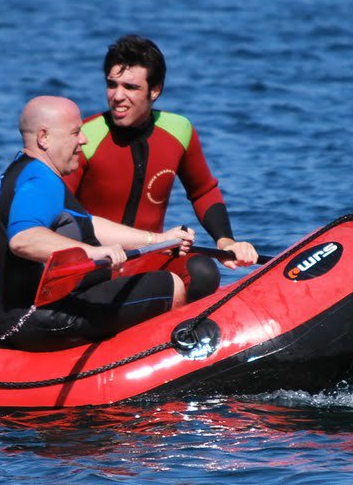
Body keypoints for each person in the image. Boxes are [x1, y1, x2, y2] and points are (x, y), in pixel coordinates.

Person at [0, 95, 192, 348]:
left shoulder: (27, 171)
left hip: (22, 317)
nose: (84, 139)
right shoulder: (39, 180)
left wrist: (159, 239)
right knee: (169, 284)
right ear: (44, 137)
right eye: (75, 132)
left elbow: (88, 224)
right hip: (29, 320)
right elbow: (24, 239)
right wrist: (93, 252)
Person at [63, 34, 259, 301]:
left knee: (203, 272)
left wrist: (226, 242)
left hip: (149, 259)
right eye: (112, 85)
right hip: (97, 264)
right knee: (164, 285)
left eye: (130, 87)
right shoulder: (86, 137)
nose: (117, 96)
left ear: (155, 91)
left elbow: (203, 191)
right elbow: (61, 212)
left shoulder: (178, 131)